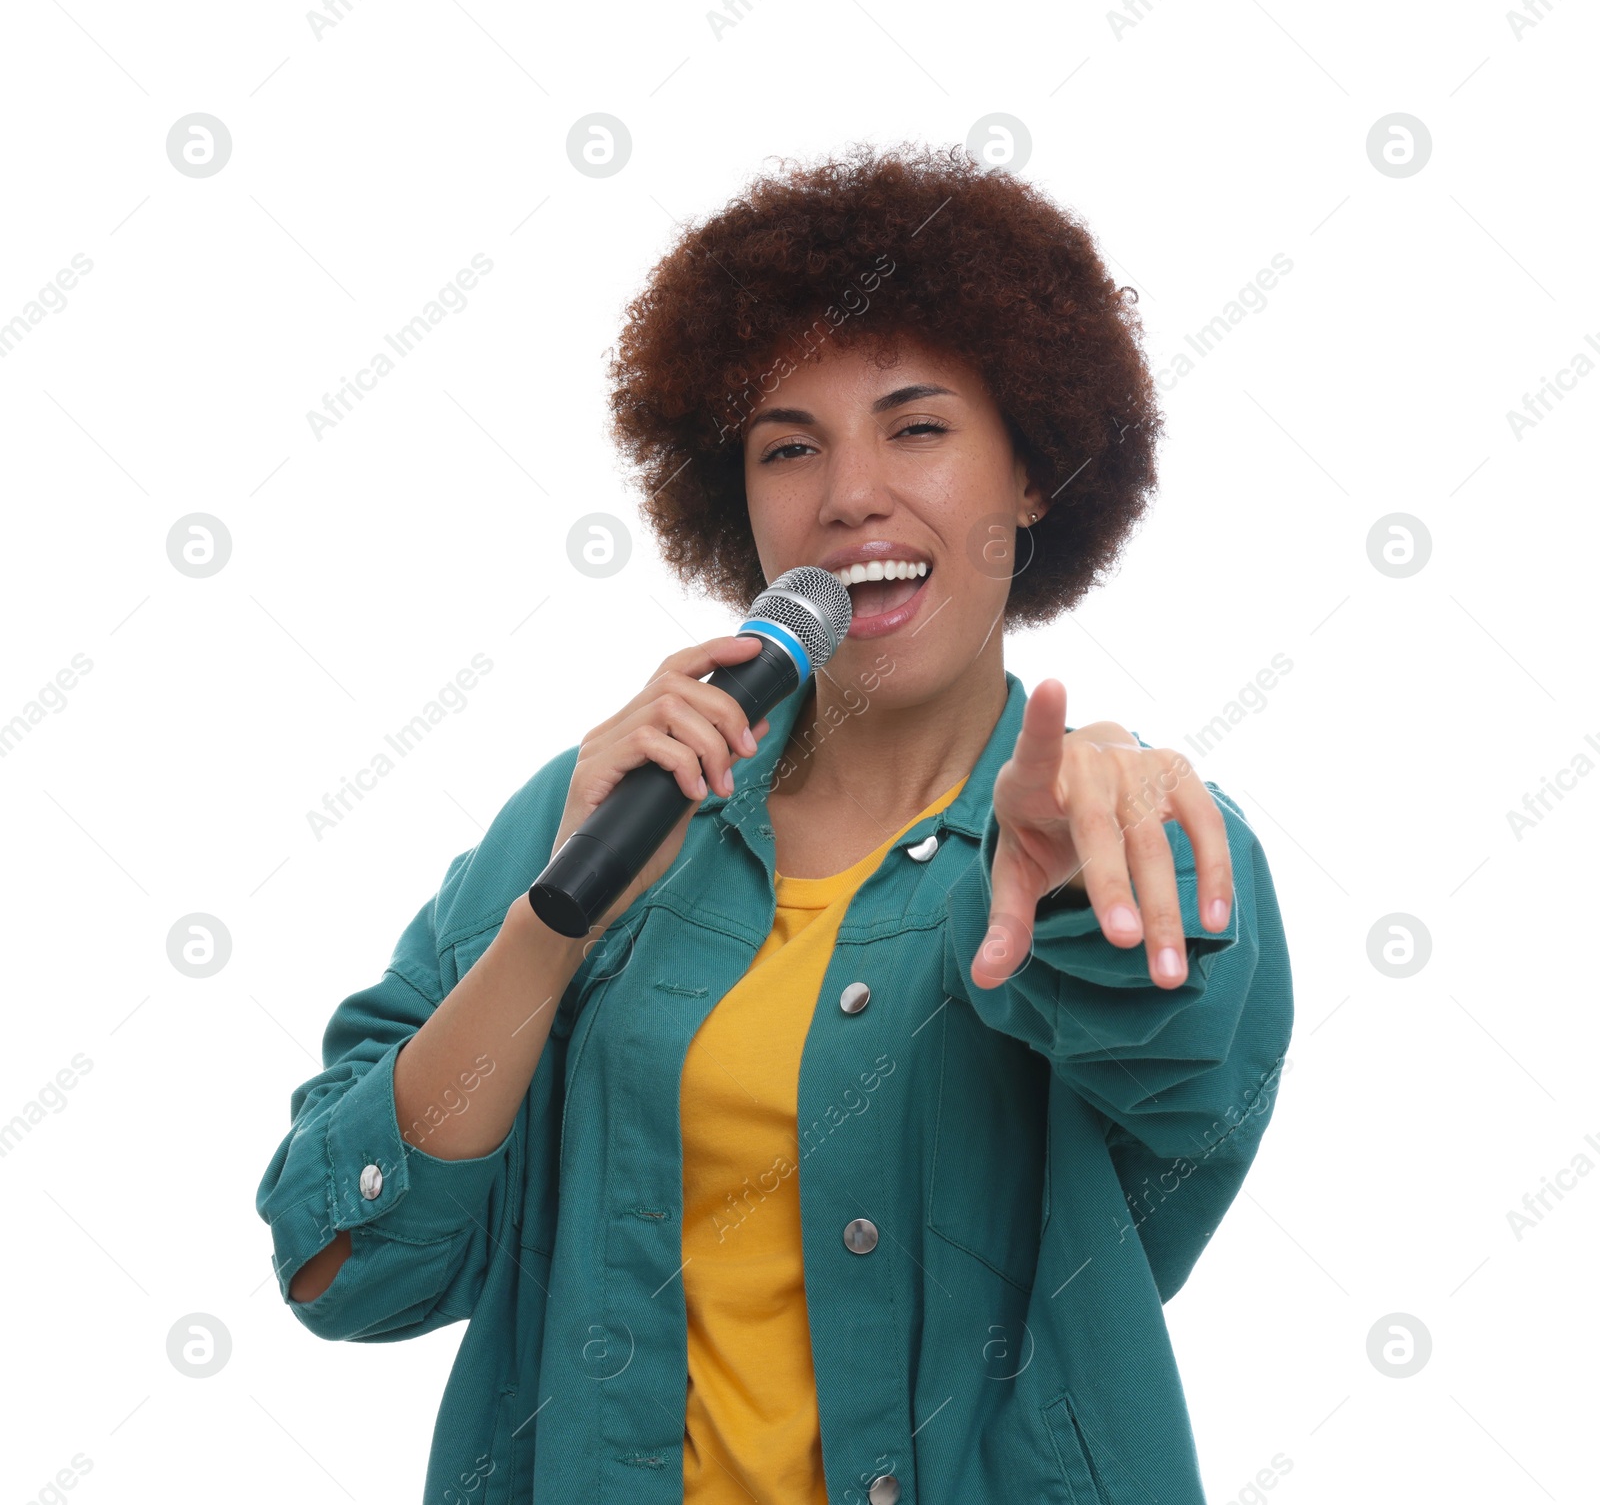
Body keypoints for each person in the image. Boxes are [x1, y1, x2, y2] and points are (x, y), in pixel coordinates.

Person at [257, 140, 1294, 1505]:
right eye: (787, 446)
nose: (849, 491)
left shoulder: (1130, 828)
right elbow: (344, 1262)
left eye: (917, 427)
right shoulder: (603, 811)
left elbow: (1176, 1051)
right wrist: (555, 920)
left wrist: (1067, 876)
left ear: (1033, 471)